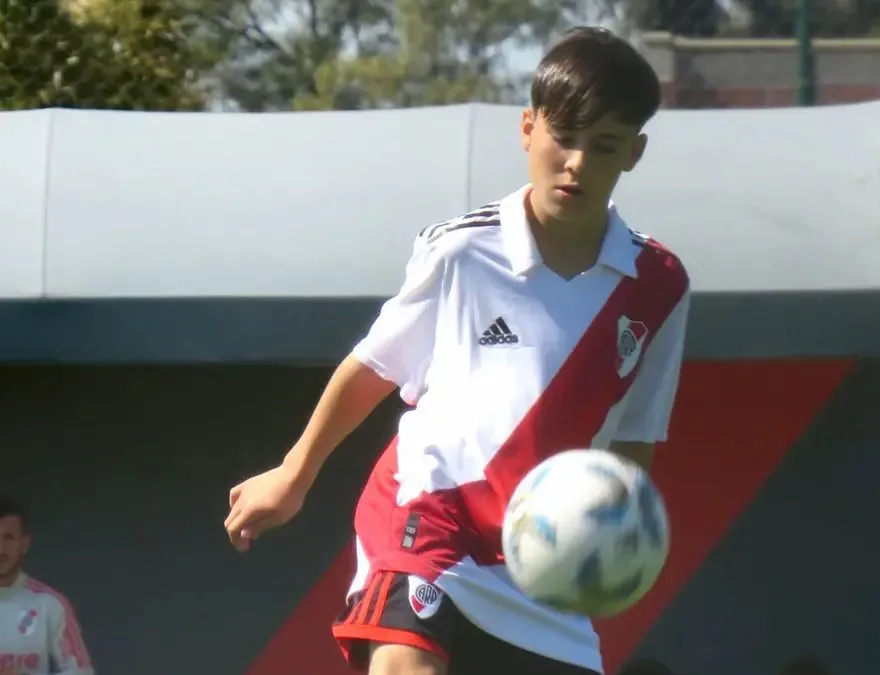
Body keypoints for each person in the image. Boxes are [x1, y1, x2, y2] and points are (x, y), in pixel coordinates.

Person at [223, 26, 690, 675]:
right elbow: (372, 368)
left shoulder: (660, 287)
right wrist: (294, 474)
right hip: (426, 515)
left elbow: (636, 437)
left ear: (634, 153)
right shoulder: (462, 251)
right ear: (528, 128)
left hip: (538, 558)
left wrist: (616, 540)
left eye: (604, 145)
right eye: (564, 137)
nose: (577, 162)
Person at [0, 496, 94, 675]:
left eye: (8, 537)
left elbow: (82, 670)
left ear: (24, 543)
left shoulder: (49, 602)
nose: (0, 547)